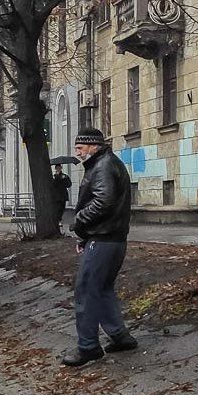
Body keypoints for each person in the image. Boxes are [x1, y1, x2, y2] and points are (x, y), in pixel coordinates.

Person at [63, 127, 138, 367]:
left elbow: (103, 201)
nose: (77, 153)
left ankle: (88, 347)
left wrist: (78, 222)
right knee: (103, 288)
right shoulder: (106, 163)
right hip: (111, 238)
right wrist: (85, 236)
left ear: (94, 146)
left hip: (104, 240)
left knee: (85, 291)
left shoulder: (103, 165)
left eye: (80, 148)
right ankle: (120, 337)